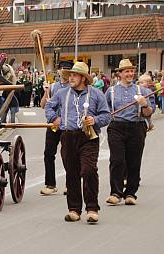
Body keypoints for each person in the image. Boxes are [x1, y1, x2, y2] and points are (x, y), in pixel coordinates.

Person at [46, 62, 111, 223]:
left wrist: (94, 119)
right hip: (68, 136)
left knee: (88, 170)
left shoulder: (96, 94)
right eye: (70, 75)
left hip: (88, 137)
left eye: (74, 75)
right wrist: (54, 118)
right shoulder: (61, 93)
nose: (70, 78)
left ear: (83, 78)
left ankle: (92, 208)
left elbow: (107, 116)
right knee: (72, 173)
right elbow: (49, 107)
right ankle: (74, 209)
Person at [105, 59, 155, 206]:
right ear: (119, 74)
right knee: (117, 160)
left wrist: (144, 104)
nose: (130, 74)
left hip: (136, 126)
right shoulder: (111, 91)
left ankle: (131, 193)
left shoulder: (143, 91)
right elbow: (105, 110)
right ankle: (116, 193)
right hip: (116, 127)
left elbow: (148, 113)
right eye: (127, 71)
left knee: (134, 161)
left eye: (132, 71)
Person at [39, 60, 72, 195]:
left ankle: (71, 184)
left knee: (68, 155)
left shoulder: (73, 86)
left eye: (67, 69)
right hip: (52, 124)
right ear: (58, 71)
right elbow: (42, 105)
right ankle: (50, 184)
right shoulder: (53, 86)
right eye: (62, 69)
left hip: (68, 125)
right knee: (48, 154)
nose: (63, 71)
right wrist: (46, 92)